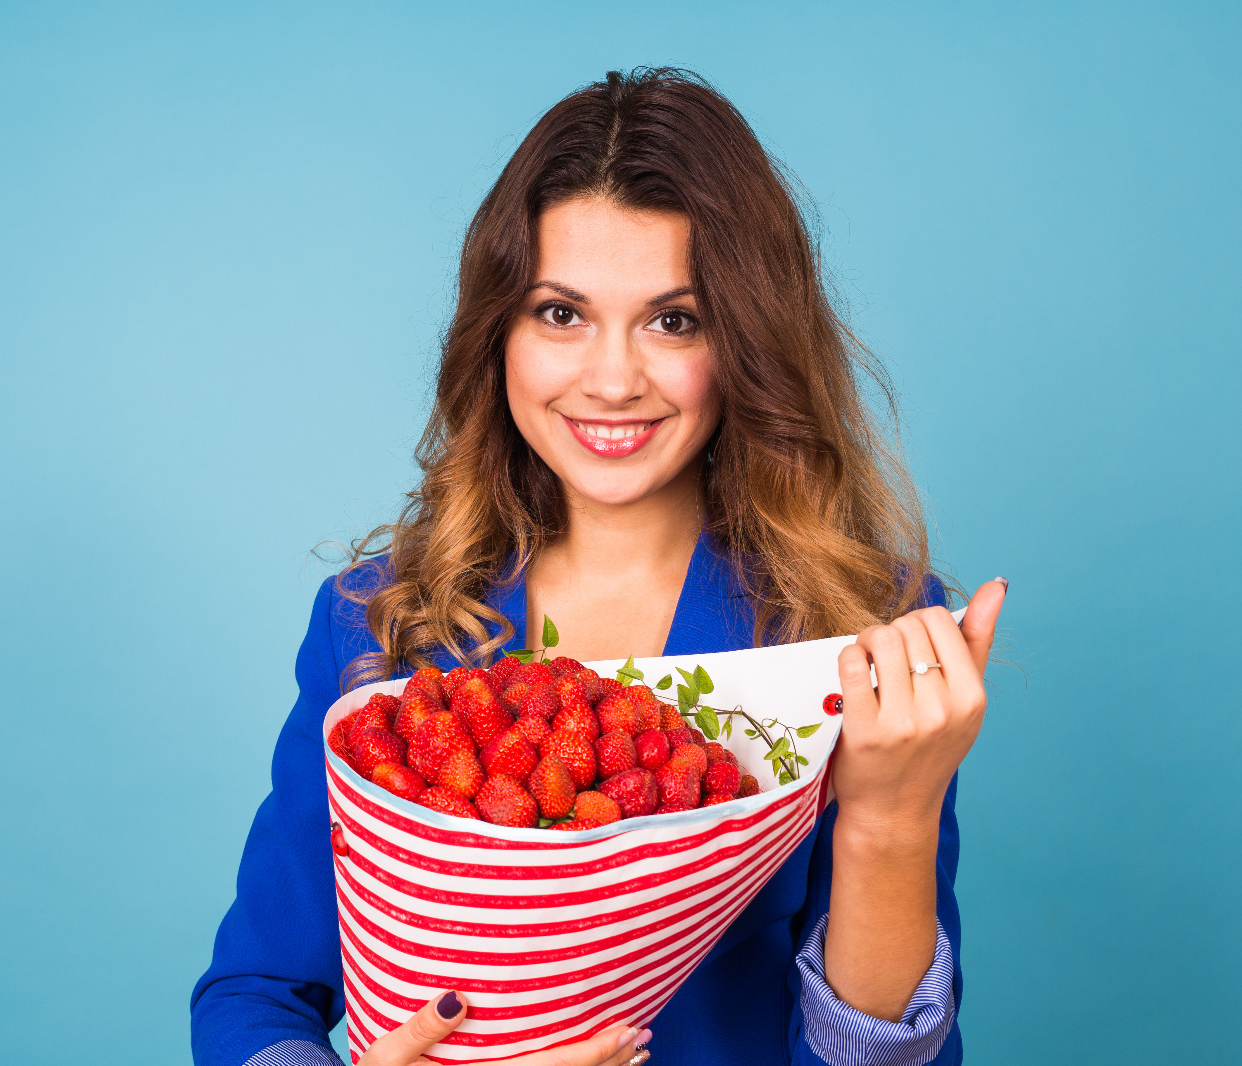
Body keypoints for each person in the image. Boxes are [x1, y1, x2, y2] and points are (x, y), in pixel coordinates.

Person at [190, 67, 1005, 1066]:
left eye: (674, 319)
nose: (612, 379)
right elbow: (255, 994)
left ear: (745, 341)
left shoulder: (863, 637)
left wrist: (892, 818)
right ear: (498, 331)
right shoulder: (377, 624)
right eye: (560, 313)